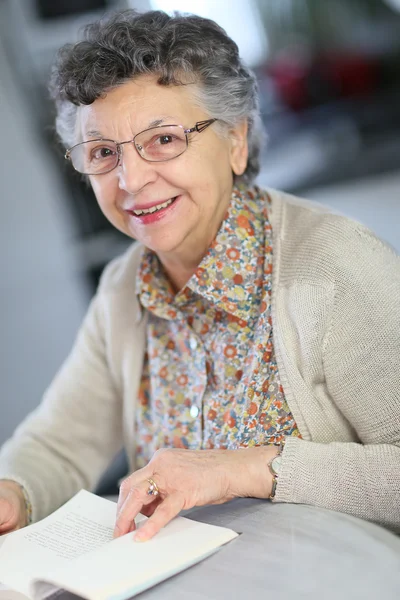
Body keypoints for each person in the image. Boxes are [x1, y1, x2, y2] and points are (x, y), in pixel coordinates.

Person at [0, 9, 399, 543]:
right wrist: (13, 492)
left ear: (235, 142)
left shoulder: (331, 268)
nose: (132, 180)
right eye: (102, 153)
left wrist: (249, 468)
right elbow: (57, 445)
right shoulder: (124, 289)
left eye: (163, 139)